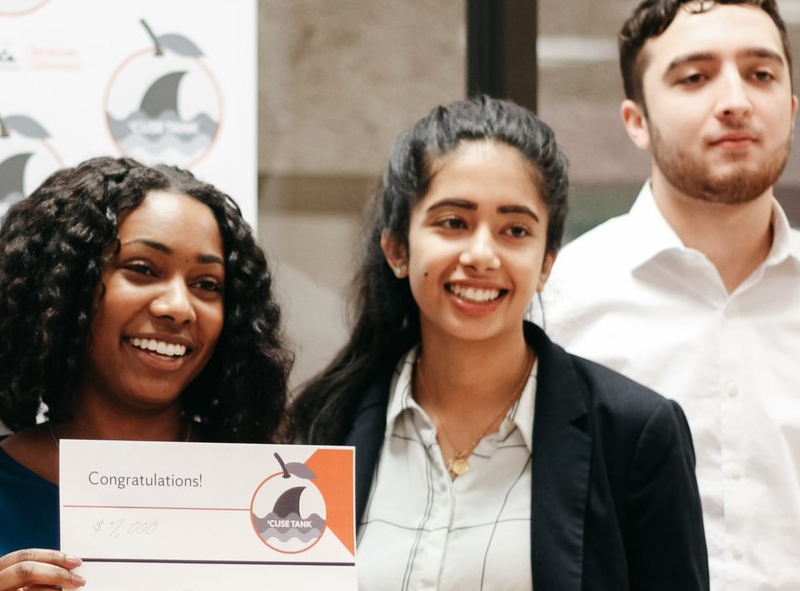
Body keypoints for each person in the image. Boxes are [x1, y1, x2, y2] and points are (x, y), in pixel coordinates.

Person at [542, 0, 800, 591]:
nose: (735, 101)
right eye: (694, 77)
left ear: (793, 109)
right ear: (636, 121)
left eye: (761, 74)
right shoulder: (558, 300)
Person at [288, 96, 707, 589]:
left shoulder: (634, 435)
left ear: (547, 261)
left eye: (514, 230)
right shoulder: (326, 423)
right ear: (397, 249)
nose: (482, 255)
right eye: (453, 223)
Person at [0, 156, 292, 591]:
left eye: (206, 284)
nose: (178, 308)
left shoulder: (274, 495)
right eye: (142, 270)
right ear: (65, 288)